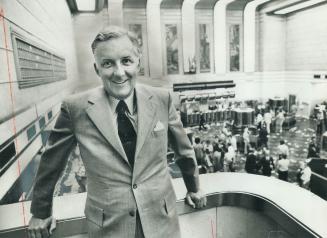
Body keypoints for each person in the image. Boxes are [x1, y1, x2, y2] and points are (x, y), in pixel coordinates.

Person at [28, 26, 206, 238]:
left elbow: (183, 150)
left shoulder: (161, 99)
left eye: (126, 61)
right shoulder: (75, 108)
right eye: (108, 64)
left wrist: (193, 187)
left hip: (162, 221)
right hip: (108, 227)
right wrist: (40, 212)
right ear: (97, 69)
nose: (119, 72)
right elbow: (51, 163)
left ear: (138, 62)